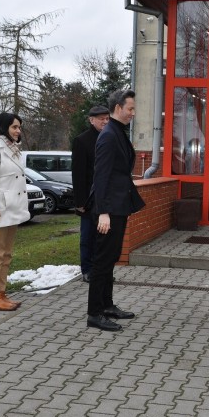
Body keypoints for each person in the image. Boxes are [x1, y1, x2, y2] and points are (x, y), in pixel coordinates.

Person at [86, 89, 145, 332]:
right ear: (118, 108)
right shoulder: (109, 135)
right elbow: (101, 176)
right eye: (130, 108)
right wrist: (103, 212)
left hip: (117, 206)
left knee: (110, 259)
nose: (133, 113)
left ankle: (107, 305)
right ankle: (94, 313)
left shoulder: (117, 132)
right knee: (102, 261)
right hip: (108, 210)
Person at [0, 113, 31, 311]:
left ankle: (1, 292)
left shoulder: (12, 148)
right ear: (3, 128)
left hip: (13, 210)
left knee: (6, 254)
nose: (18, 131)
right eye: (14, 127)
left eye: (19, 127)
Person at [72, 105, 110, 283]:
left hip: (106, 197)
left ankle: (100, 270)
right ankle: (87, 269)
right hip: (88, 198)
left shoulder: (110, 138)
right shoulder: (82, 140)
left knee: (104, 238)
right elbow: (78, 173)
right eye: (101, 118)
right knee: (87, 236)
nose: (104, 121)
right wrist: (80, 201)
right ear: (91, 120)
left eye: (107, 118)